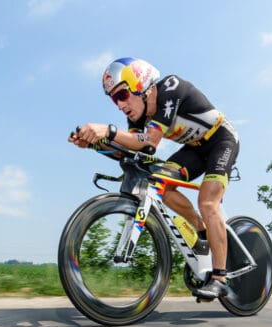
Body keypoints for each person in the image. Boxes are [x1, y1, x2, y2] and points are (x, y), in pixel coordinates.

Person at [68, 57, 240, 299]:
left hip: (220, 140)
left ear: (142, 85)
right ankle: (201, 230)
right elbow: (137, 150)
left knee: (208, 202)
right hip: (194, 149)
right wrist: (96, 144)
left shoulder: (170, 88)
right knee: (160, 181)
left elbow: (150, 141)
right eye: (113, 99)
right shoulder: (136, 117)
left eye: (122, 95)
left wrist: (107, 130)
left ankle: (220, 278)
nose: (119, 105)